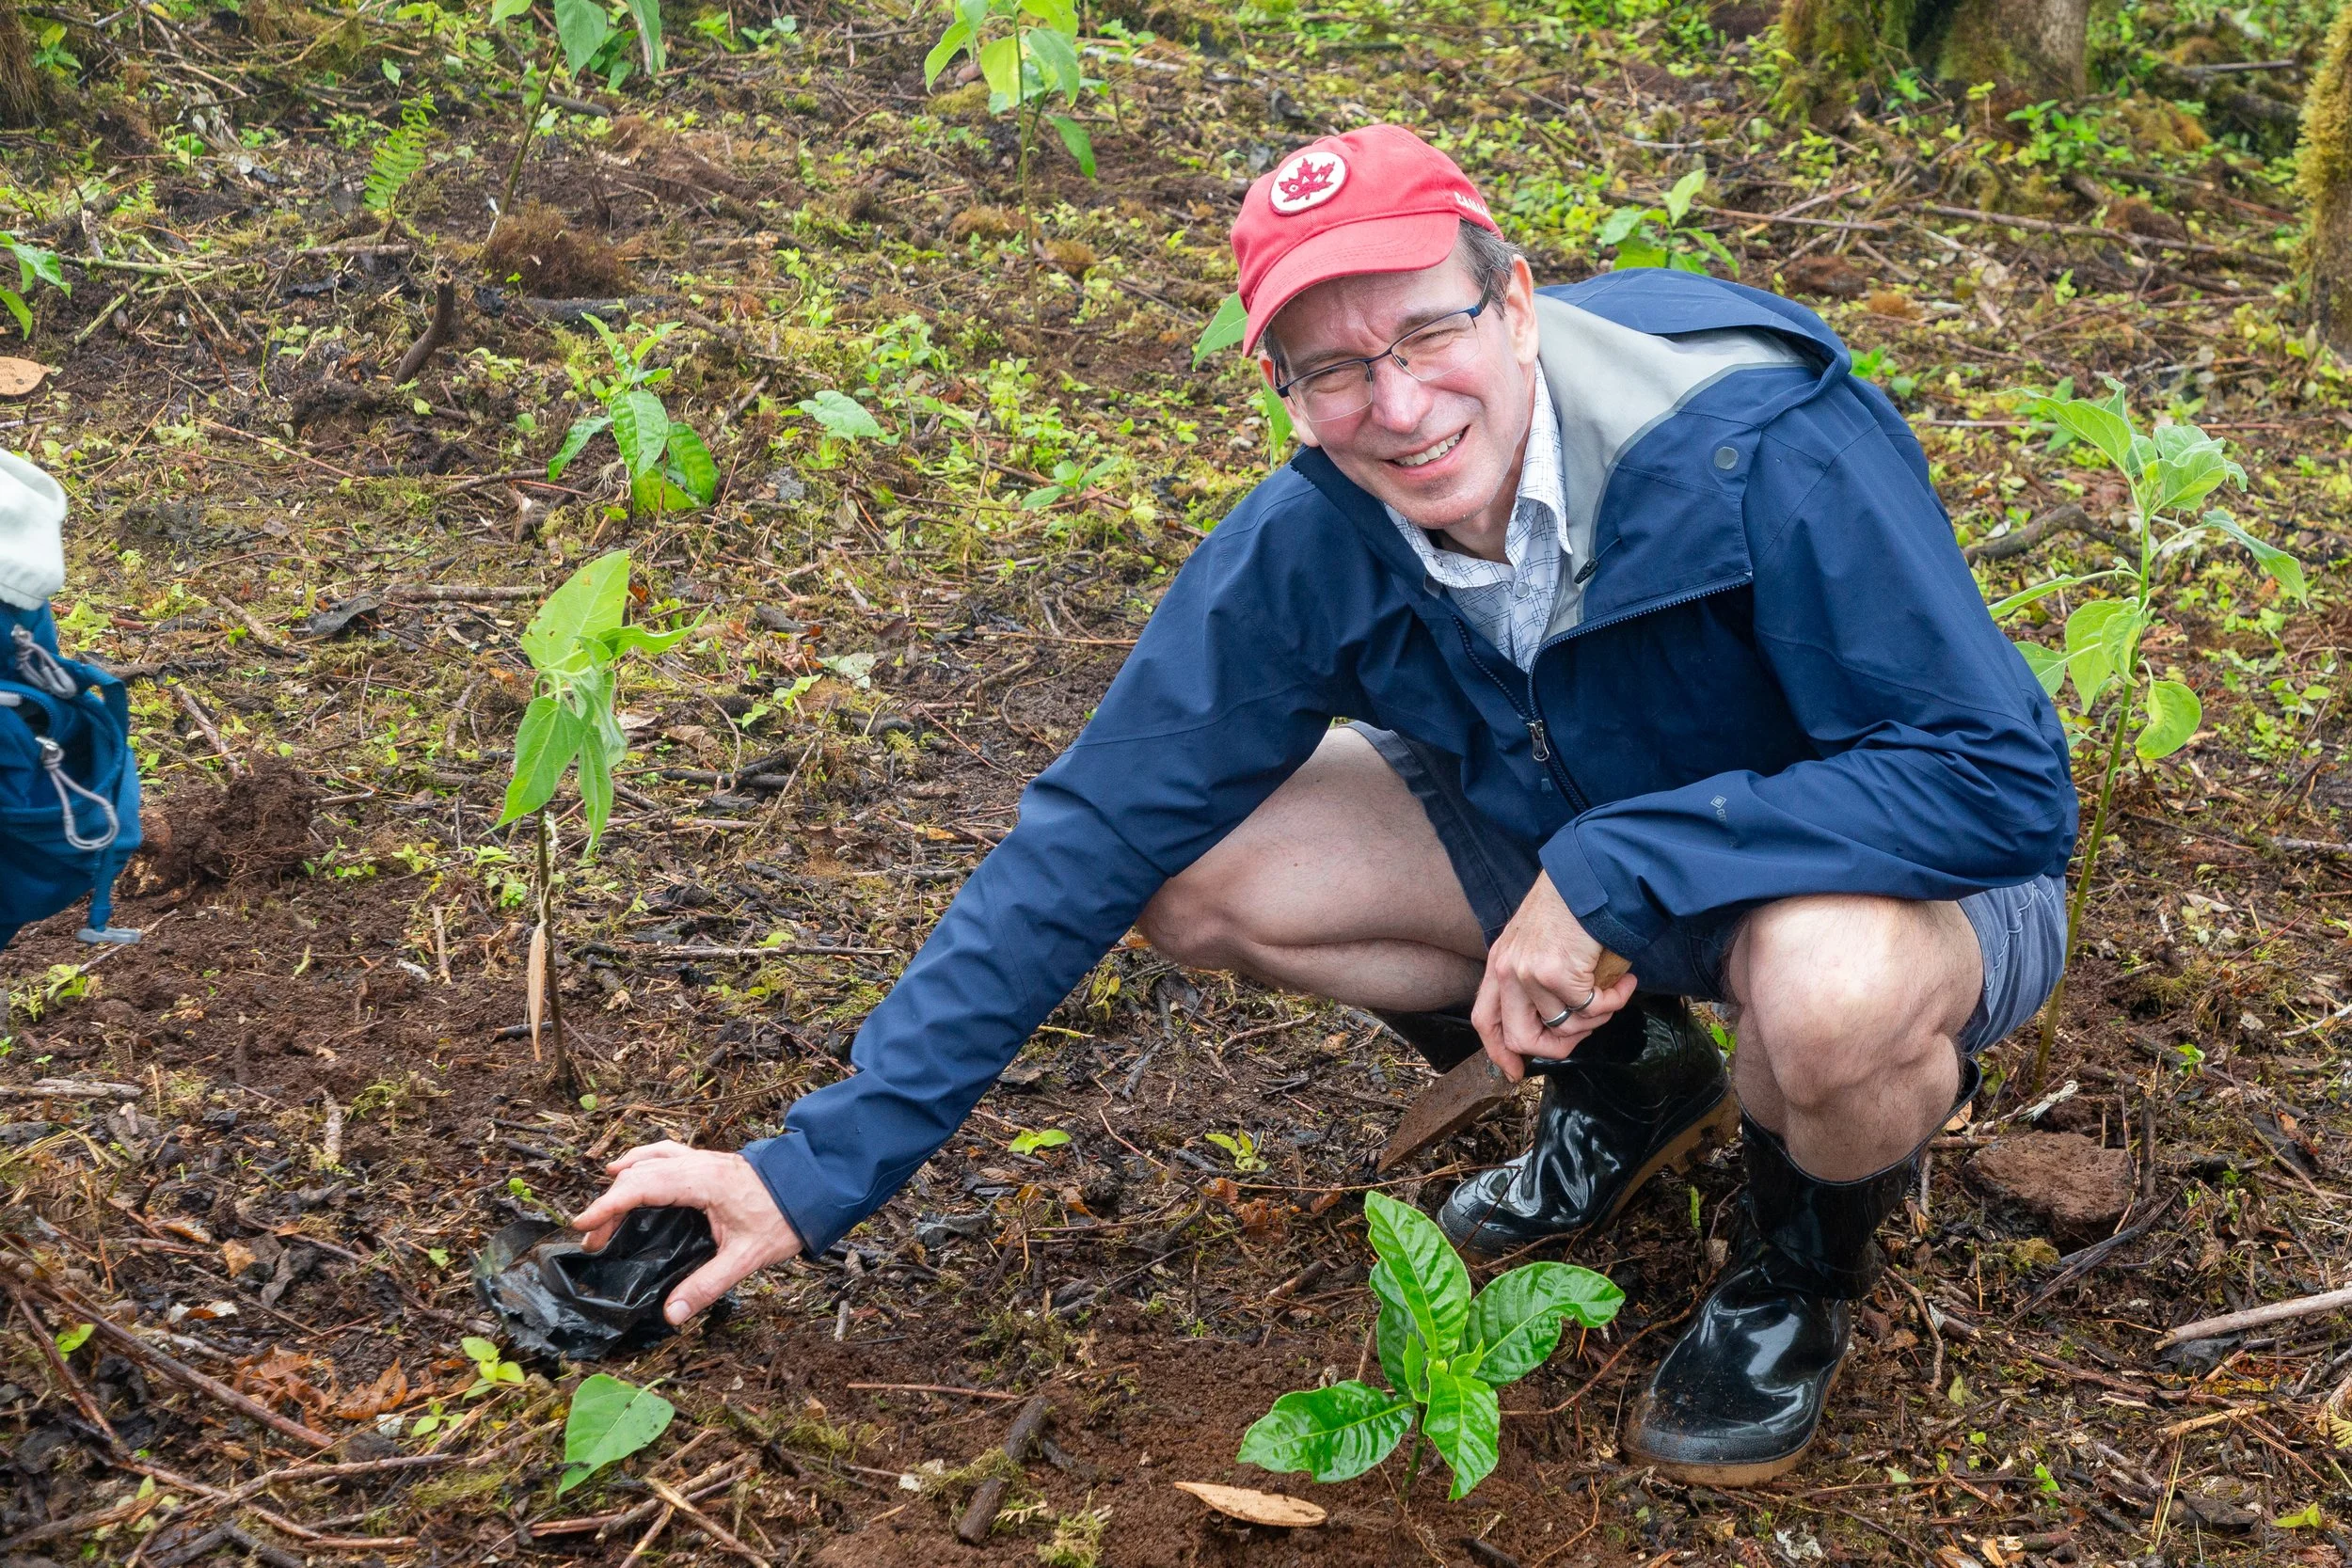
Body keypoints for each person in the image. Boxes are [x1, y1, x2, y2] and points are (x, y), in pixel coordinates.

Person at [574, 123, 2074, 1484]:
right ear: (1282, 393)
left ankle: (1795, 1274)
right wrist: (811, 1167)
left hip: (1883, 866)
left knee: (1828, 1002)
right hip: (1583, 842)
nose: (1401, 405)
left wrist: (1621, 864)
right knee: (1200, 871)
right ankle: (1636, 1084)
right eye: (1335, 368)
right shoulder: (1317, 536)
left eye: (1430, 330)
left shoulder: (1757, 440)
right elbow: (1094, 829)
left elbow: (2004, 782)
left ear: (1519, 300)